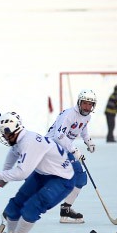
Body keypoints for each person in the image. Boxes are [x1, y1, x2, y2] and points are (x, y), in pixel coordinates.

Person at [0, 111, 75, 233]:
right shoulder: (18, 139)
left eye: (4, 133)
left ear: (12, 131)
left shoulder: (29, 142)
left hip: (61, 179)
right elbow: (13, 153)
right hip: (42, 174)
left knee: (32, 207)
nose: (2, 136)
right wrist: (6, 173)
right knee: (14, 205)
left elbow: (22, 173)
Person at [45, 89, 96, 223]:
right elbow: (59, 136)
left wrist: (88, 141)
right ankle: (65, 210)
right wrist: (74, 150)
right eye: (85, 103)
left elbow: (83, 129)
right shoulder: (69, 115)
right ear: (79, 102)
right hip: (52, 147)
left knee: (80, 177)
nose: (87, 107)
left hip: (64, 148)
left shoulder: (87, 116)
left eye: (90, 104)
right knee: (77, 176)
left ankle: (66, 210)